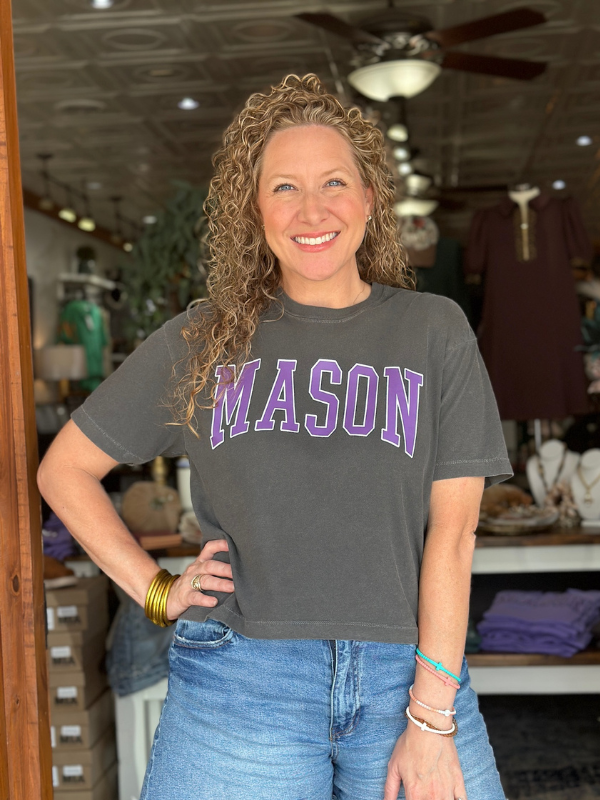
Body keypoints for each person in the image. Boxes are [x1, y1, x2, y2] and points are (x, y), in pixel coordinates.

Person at [38, 74, 512, 800]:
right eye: (284, 188)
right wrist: (157, 592)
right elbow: (64, 469)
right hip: (240, 679)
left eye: (333, 183)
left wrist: (432, 718)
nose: (312, 209)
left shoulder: (433, 331)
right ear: (253, 210)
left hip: (408, 676)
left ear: (369, 199)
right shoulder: (201, 340)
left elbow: (454, 535)